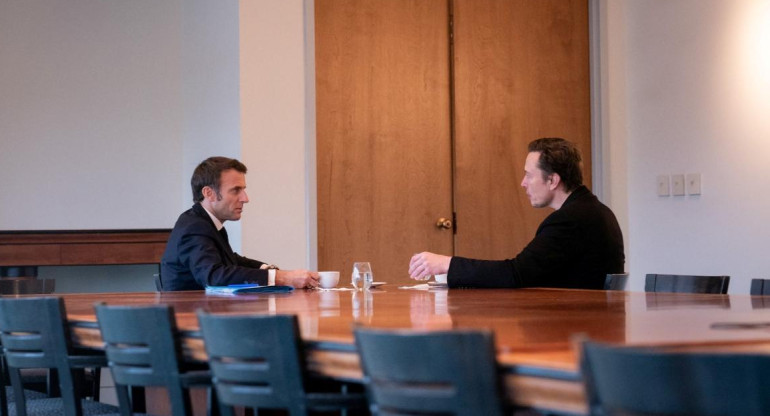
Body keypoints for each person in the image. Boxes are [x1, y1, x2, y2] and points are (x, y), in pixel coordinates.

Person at [408, 137, 624, 289]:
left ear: (552, 180)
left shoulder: (571, 220)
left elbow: (515, 274)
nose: (523, 183)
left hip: (571, 334)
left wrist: (446, 263)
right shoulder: (596, 211)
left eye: (529, 176)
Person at [160, 156, 319, 291]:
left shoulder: (203, 222)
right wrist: (281, 278)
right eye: (236, 190)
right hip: (196, 323)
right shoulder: (194, 227)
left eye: (243, 190)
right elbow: (214, 276)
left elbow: (232, 261)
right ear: (209, 193)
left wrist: (275, 272)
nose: (245, 198)